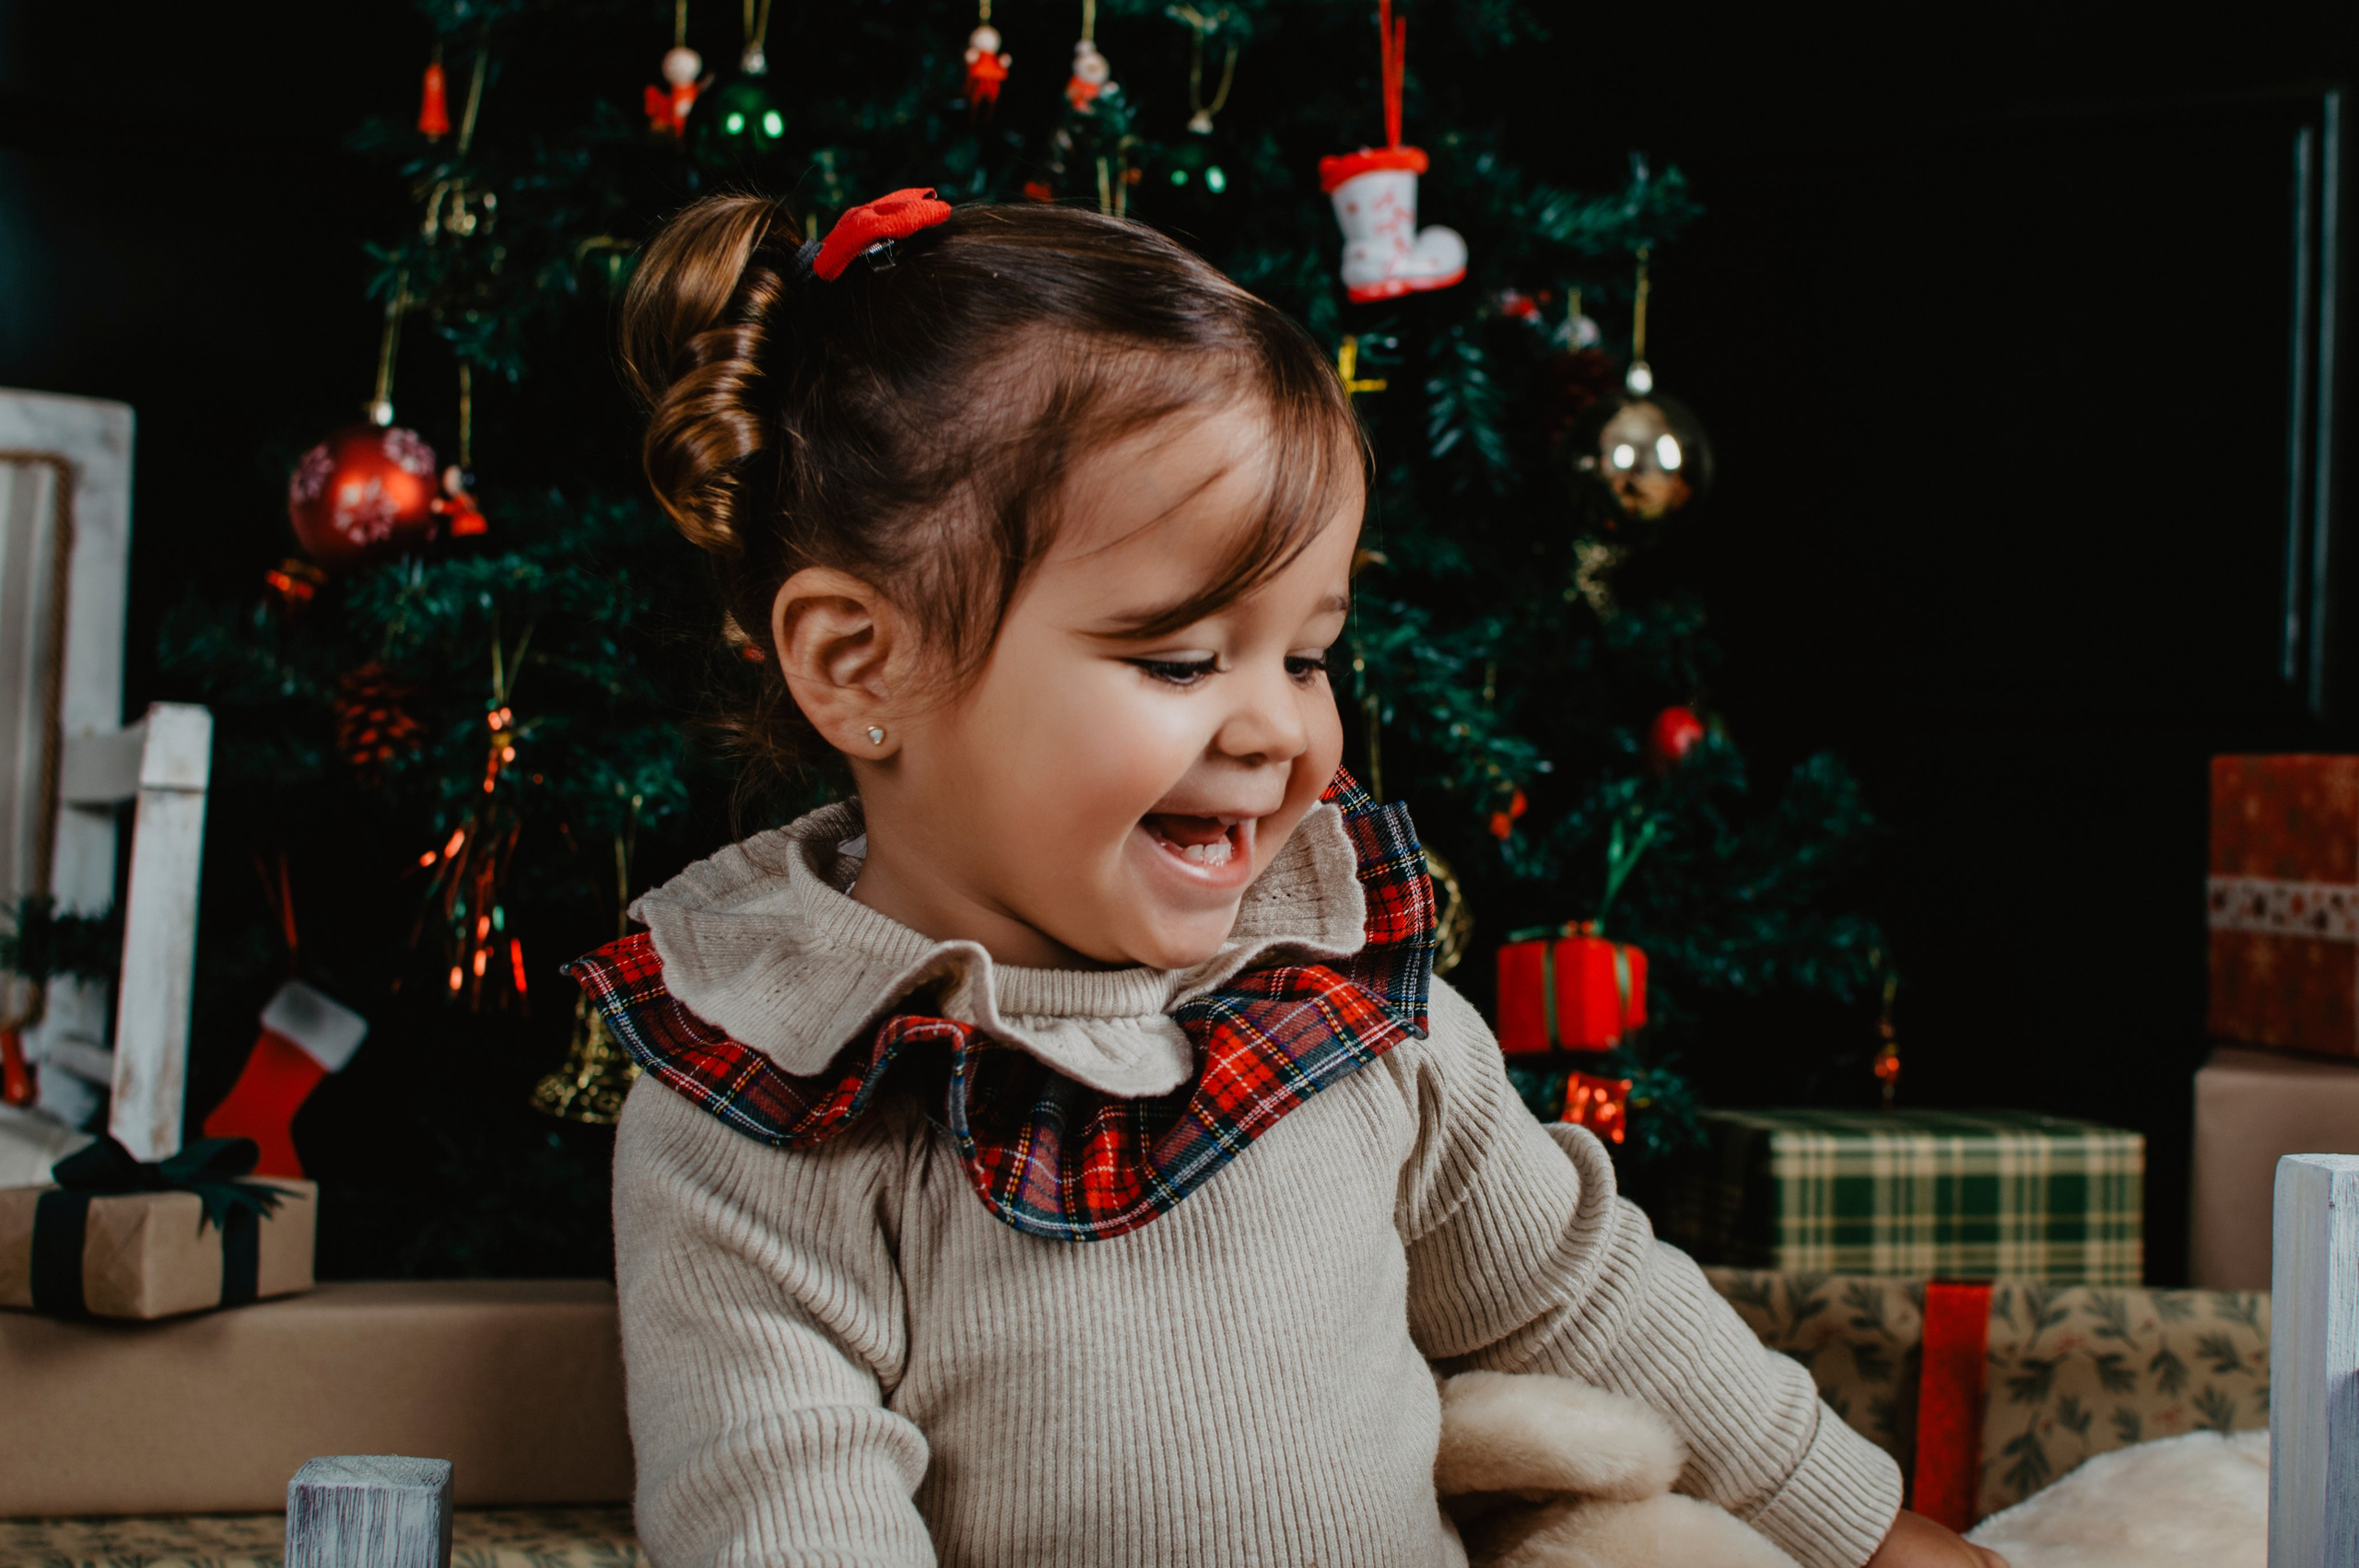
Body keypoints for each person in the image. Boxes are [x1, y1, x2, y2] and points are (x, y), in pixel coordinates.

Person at [587, 188, 2006, 1568]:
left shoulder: (1329, 1001)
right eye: (1181, 658)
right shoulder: (768, 1113)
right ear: (858, 661)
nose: (1274, 727)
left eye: (1309, 654)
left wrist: (1870, 1537)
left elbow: (1577, 1293)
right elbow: (784, 1510)